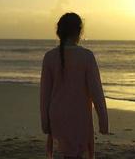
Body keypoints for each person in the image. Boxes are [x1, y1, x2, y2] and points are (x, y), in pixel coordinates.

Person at [40, 12, 109, 159]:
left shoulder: (49, 57)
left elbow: (44, 95)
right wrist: (103, 122)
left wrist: (45, 123)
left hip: (57, 116)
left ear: (59, 32)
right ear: (79, 31)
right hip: (80, 117)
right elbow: (96, 92)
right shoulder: (86, 56)